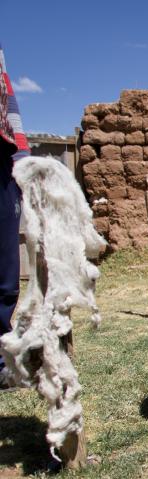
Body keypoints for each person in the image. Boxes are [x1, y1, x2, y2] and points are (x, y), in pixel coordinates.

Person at [0, 43, 30, 380]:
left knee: (5, 276)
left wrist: (19, 158)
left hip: (2, 155)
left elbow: (6, 100)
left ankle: (1, 361)